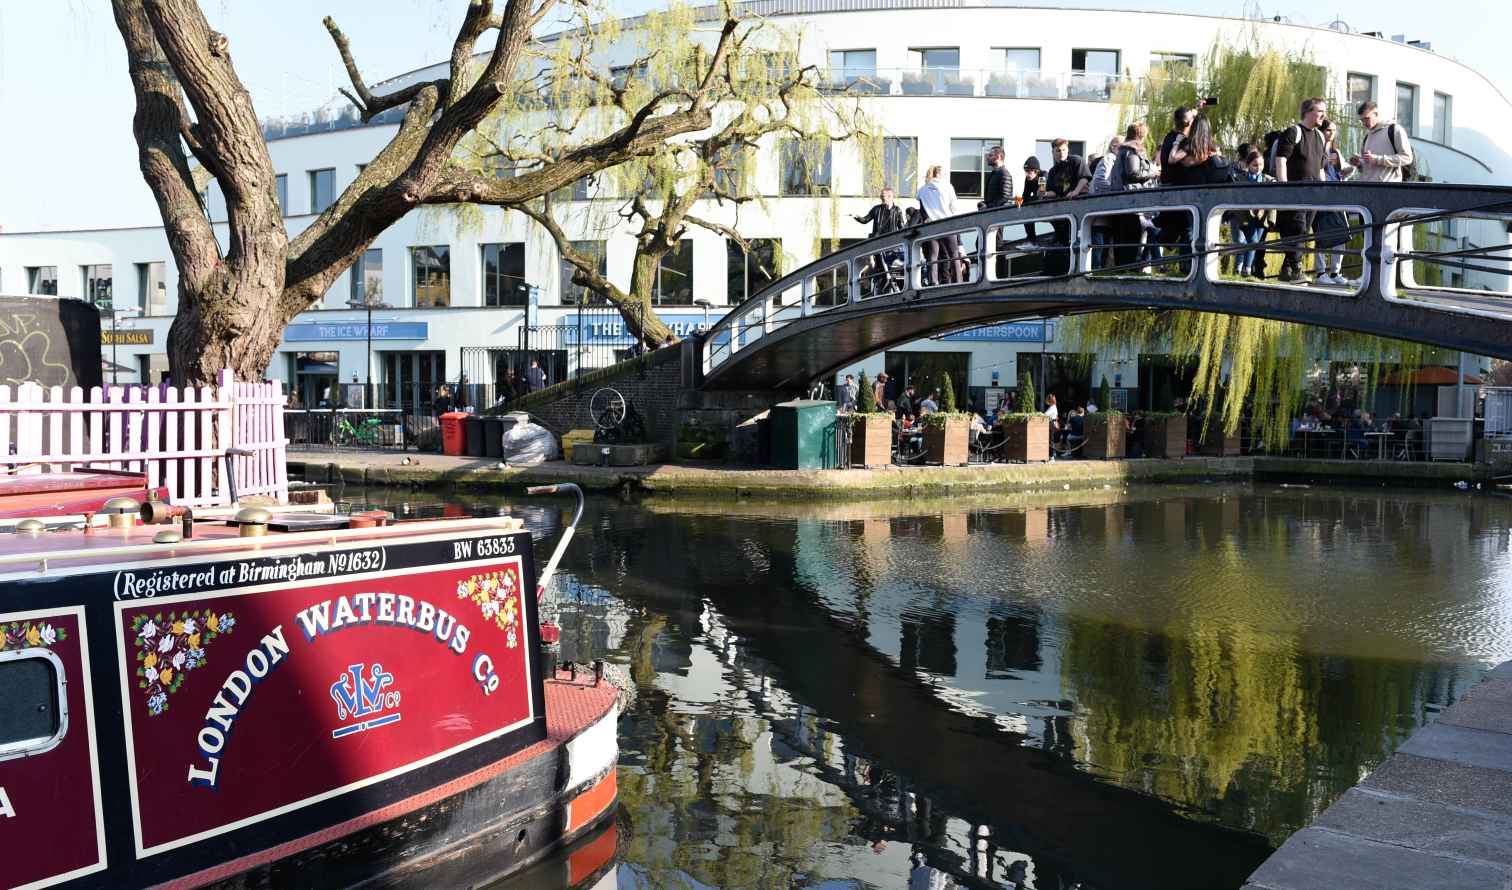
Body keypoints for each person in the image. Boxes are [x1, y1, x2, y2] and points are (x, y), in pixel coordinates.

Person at [1272, 96, 1329, 283]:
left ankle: (1287, 270)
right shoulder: (1293, 132)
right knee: (1297, 228)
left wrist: (1324, 191)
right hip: (1295, 192)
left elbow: (1320, 168)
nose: (1323, 115)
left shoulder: (1320, 136)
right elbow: (1281, 160)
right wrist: (1284, 187)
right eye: (1320, 111)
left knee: (1303, 232)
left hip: (1313, 195)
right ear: (1308, 112)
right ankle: (1296, 269)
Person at [1111, 122, 1158, 268]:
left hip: (1121, 201)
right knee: (1130, 239)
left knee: (1122, 240)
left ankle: (1122, 269)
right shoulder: (1132, 150)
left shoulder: (1122, 150)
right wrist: (1153, 172)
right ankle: (1128, 269)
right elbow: (1133, 173)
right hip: (1130, 202)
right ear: (1141, 135)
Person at [1313, 118, 1352, 285]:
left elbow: (1344, 173)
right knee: (1321, 235)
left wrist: (1351, 168)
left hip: (1337, 197)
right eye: (1328, 130)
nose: (1331, 133)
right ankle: (1321, 272)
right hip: (1322, 197)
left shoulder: (1336, 152)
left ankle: (1336, 272)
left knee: (1342, 235)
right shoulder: (1315, 149)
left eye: (1334, 130)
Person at [1044, 138, 1091, 274]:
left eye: (1063, 149)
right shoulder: (1053, 171)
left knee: (1079, 239)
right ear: (1053, 152)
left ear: (1068, 149)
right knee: (1063, 240)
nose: (1061, 153)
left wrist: (1075, 191)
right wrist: (1044, 194)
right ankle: (1064, 270)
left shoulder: (1076, 160)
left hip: (1080, 207)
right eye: (1058, 150)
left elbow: (1084, 178)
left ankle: (1079, 269)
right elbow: (1054, 192)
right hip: (1064, 211)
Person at [1230, 150, 1275, 279]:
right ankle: (1246, 269)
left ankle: (1245, 268)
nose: (1258, 168)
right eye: (1255, 165)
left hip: (1261, 217)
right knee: (1253, 241)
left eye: (1261, 165)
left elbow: (1273, 199)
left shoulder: (1267, 179)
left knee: (1256, 244)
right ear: (1248, 165)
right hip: (1245, 217)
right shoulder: (1241, 179)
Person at [916, 166, 962, 286]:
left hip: (931, 225)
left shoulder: (922, 189)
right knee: (954, 254)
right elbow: (954, 207)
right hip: (947, 223)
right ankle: (958, 281)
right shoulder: (947, 187)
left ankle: (933, 281)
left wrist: (926, 218)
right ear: (941, 174)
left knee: (933, 255)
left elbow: (921, 205)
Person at [1349, 100, 1415, 183]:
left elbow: (1407, 158)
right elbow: (1367, 168)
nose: (1364, 123)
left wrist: (1377, 159)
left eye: (1367, 118)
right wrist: (1359, 164)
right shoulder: (1367, 136)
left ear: (1376, 114)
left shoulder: (1394, 130)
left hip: (1387, 189)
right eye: (1362, 120)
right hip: (1366, 189)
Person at [854, 188, 904, 294]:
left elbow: (901, 227)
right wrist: (856, 217)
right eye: (881, 196)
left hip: (892, 243)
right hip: (878, 242)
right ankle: (880, 285)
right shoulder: (877, 209)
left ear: (890, 197)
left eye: (883, 196)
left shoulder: (897, 210)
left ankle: (886, 284)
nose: (881, 198)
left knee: (890, 264)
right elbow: (865, 220)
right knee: (880, 265)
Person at [980, 146, 1014, 278]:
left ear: (999, 157)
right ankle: (988, 275)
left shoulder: (1004, 174)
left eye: (990, 155)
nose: (987, 157)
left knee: (997, 245)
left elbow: (1005, 198)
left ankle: (999, 276)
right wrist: (984, 204)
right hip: (990, 215)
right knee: (983, 243)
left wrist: (988, 207)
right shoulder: (994, 174)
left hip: (998, 217)